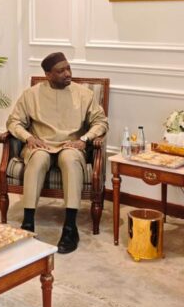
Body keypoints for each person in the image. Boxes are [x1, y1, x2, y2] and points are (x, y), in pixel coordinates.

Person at [6, 52, 108, 254]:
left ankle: (70, 228)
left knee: (70, 159)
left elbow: (101, 122)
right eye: (61, 71)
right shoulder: (31, 94)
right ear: (48, 75)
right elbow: (14, 121)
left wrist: (84, 139)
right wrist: (28, 138)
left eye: (68, 68)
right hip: (41, 144)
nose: (67, 73)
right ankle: (28, 224)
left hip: (71, 145)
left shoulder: (84, 94)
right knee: (38, 159)